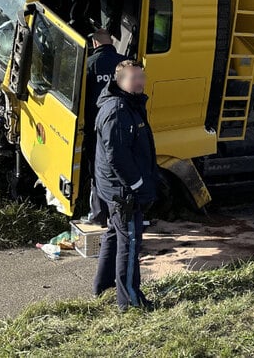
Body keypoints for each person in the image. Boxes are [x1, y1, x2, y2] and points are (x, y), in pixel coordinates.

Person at [92, 60, 160, 310]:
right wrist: (137, 184)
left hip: (116, 188)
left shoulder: (128, 104)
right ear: (120, 81)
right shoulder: (117, 110)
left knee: (114, 235)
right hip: (123, 191)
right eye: (134, 78)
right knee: (130, 242)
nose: (140, 82)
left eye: (142, 76)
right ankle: (130, 301)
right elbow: (117, 155)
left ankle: (103, 287)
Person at [83, 30, 126, 225]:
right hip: (123, 124)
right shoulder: (125, 63)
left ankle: (99, 215)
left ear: (94, 43)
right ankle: (120, 214)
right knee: (121, 169)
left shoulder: (89, 64)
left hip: (96, 126)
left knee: (98, 170)